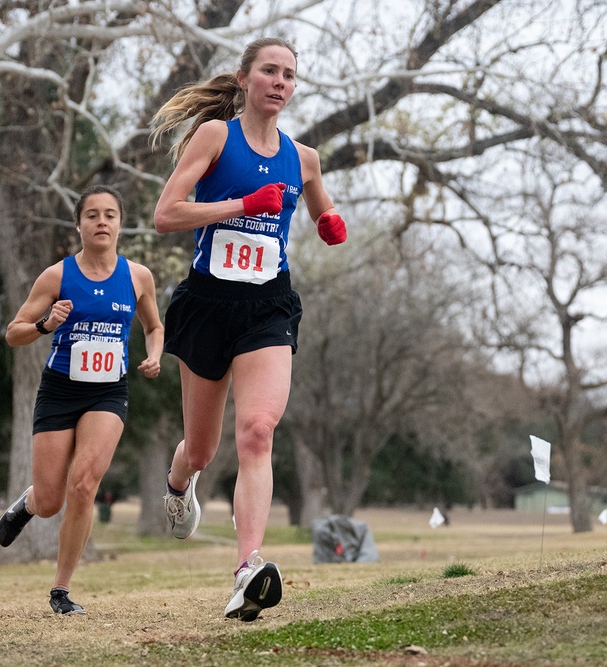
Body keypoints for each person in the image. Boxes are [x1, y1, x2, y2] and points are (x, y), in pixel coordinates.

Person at [149, 37, 348, 621]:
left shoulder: (303, 157)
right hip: (209, 303)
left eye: (289, 74)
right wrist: (240, 205)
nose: (279, 82)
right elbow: (166, 215)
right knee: (204, 448)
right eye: (269, 71)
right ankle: (178, 479)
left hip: (268, 304)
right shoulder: (216, 138)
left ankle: (247, 568)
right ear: (244, 79)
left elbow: (319, 207)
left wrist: (330, 222)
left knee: (258, 431)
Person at [0, 184, 164, 615]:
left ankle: (61, 590)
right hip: (60, 390)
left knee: (84, 484)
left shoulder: (138, 276)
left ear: (120, 224)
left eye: (110, 214)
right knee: (52, 500)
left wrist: (155, 355)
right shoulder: (56, 276)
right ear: (79, 224)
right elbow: (14, 332)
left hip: (108, 392)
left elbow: (153, 327)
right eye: (92, 215)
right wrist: (45, 325)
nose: (102, 222)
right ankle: (29, 502)